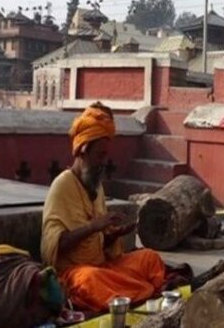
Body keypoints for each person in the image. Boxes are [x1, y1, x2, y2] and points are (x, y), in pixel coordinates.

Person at [40, 102, 168, 312]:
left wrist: (113, 235)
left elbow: (98, 245)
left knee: (149, 258)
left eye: (105, 155)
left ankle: (134, 293)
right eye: (99, 155)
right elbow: (53, 247)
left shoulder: (96, 186)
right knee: (92, 280)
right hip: (74, 272)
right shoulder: (62, 186)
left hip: (104, 266)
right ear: (82, 151)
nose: (103, 162)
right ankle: (143, 291)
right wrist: (94, 226)